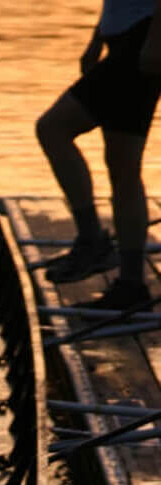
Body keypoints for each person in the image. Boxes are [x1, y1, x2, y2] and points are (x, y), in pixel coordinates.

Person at [36, 0, 161, 310]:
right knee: (123, 167)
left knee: (52, 129)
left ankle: (92, 239)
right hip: (128, 42)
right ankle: (131, 285)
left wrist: (154, 41)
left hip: (141, 43)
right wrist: (98, 39)